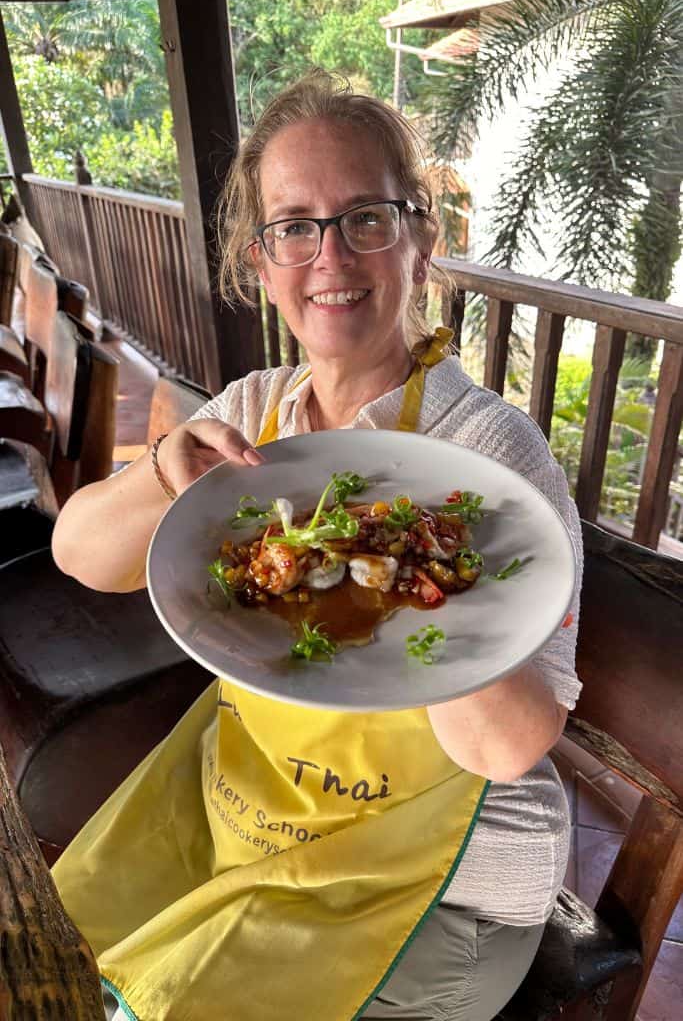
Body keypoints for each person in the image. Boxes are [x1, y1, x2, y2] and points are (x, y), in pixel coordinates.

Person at [51, 69, 583, 1021]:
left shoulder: (491, 457)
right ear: (258, 260)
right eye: (294, 225)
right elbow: (84, 556)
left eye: (364, 216)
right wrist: (167, 468)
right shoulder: (253, 413)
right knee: (62, 967)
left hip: (439, 884)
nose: (330, 254)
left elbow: (507, 749)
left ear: (420, 237)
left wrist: (416, 562)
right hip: (259, 823)